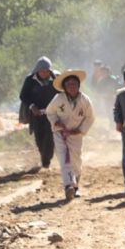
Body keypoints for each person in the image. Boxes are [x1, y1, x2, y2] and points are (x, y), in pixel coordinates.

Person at [46, 70, 95, 200]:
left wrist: (80, 130)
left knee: (76, 161)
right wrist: (56, 122)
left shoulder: (85, 100)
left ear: (78, 85)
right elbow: (49, 111)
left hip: (75, 134)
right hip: (60, 133)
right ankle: (68, 186)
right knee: (64, 159)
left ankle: (76, 185)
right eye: (68, 84)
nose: (71, 87)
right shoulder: (59, 98)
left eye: (74, 84)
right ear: (64, 87)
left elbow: (90, 118)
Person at [19, 57, 58, 168]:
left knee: (49, 136)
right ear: (37, 70)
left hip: (51, 113)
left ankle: (46, 161)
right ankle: (44, 156)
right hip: (35, 114)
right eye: (42, 71)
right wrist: (32, 106)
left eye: (47, 71)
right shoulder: (30, 80)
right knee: (39, 137)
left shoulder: (55, 80)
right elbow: (23, 95)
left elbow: (61, 94)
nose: (45, 73)